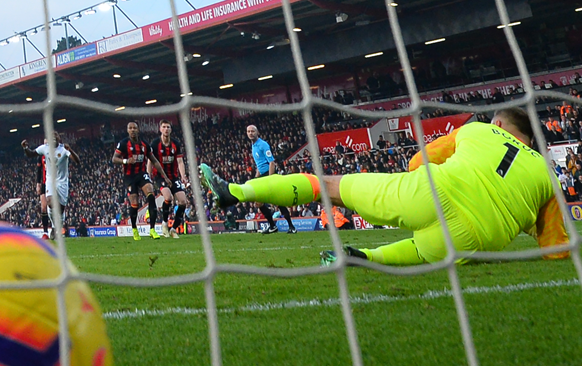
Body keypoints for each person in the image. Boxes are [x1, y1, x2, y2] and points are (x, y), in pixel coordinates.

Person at [200, 107, 570, 266]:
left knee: (327, 185)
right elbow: (556, 249)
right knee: (427, 249)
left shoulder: (476, 129)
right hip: (476, 240)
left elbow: (416, 162)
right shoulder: (545, 174)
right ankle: (367, 258)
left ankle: (236, 192)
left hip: (431, 193)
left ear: (500, 126)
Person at [113, 121, 172, 240]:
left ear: (138, 130)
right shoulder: (124, 143)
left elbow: (154, 161)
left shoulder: (144, 144)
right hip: (129, 177)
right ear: (128, 130)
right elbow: (114, 159)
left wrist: (165, 177)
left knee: (151, 196)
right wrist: (125, 161)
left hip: (141, 174)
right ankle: (134, 229)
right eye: (130, 128)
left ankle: (152, 229)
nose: (133, 130)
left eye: (134, 128)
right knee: (134, 204)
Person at [22, 132, 81, 240]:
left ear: (59, 139)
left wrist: (70, 150)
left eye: (56, 136)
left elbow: (77, 161)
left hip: (62, 182)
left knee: (61, 209)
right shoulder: (44, 148)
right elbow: (31, 154)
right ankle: (54, 228)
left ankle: (55, 227)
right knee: (49, 202)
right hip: (50, 180)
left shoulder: (64, 150)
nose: (54, 138)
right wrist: (25, 148)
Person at [246, 125, 296, 234]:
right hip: (262, 176)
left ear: (257, 132)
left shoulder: (263, 145)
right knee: (258, 203)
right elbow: (260, 164)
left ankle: (291, 227)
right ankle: (272, 226)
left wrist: (270, 179)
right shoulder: (253, 146)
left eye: (252, 131)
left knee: (278, 202)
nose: (250, 133)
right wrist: (256, 178)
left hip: (269, 175)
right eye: (248, 131)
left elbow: (271, 162)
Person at [150, 120, 189, 238]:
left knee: (183, 202)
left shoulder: (175, 144)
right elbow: (149, 161)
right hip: (160, 176)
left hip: (173, 176)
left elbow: (180, 161)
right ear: (160, 129)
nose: (166, 129)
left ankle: (173, 229)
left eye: (168, 127)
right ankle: (164, 223)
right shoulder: (155, 143)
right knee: (168, 197)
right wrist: (147, 176)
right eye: (164, 127)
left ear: (170, 129)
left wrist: (183, 176)